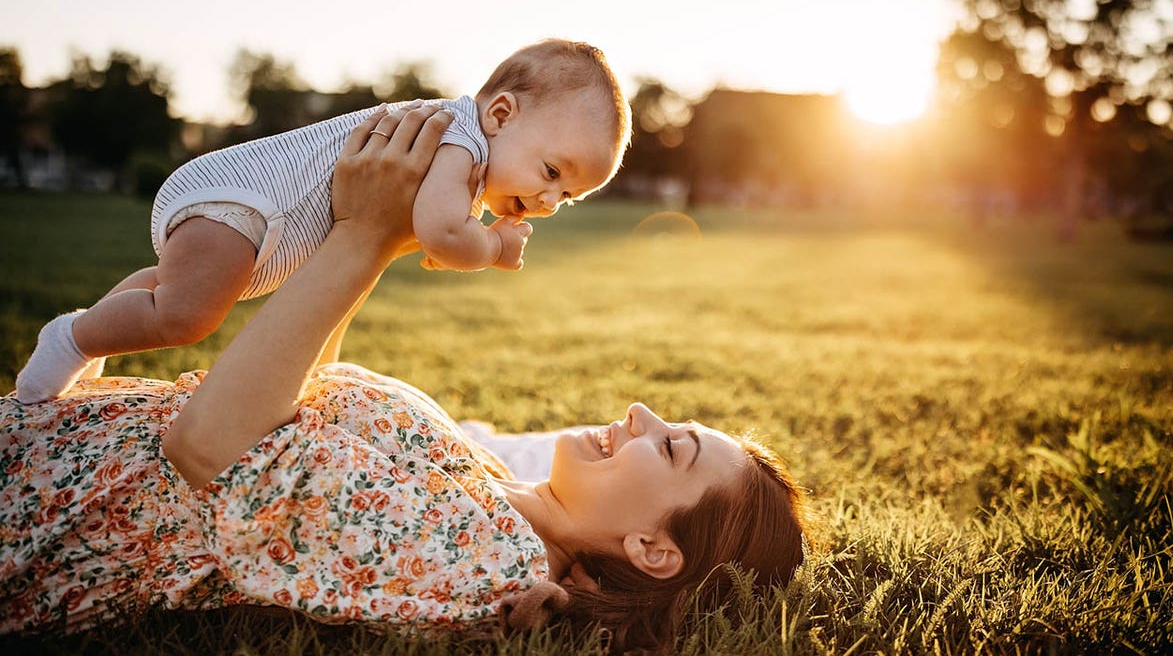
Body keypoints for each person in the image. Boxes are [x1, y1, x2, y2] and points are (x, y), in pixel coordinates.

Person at [1, 106, 809, 652]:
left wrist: (363, 233)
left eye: (670, 449)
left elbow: (211, 449)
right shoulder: (496, 490)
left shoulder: (489, 561)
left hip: (33, 515)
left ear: (651, 550)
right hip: (44, 449)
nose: (638, 411)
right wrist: (374, 239)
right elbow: (307, 398)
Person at [15, 39, 631, 404]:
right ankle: (72, 337)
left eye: (569, 196)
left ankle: (97, 331)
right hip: (245, 201)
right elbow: (443, 235)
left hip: (246, 217)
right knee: (188, 314)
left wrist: (466, 235)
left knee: (170, 289)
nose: (549, 201)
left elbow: (429, 236)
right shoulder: (459, 141)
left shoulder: (463, 155)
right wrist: (494, 246)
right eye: (552, 171)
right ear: (500, 113)